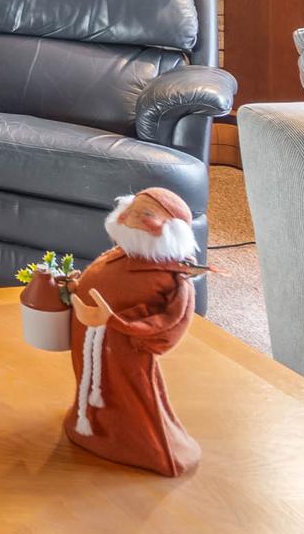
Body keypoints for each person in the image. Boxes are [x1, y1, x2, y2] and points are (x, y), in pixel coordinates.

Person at [65, 187, 205, 476]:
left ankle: (145, 448)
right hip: (91, 345)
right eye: (132, 209)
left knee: (129, 398)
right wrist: (74, 289)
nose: (129, 217)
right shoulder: (121, 254)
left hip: (121, 354)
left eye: (146, 214)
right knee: (92, 385)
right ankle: (91, 425)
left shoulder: (173, 282)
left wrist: (115, 322)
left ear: (171, 231)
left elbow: (166, 328)